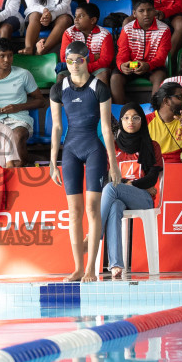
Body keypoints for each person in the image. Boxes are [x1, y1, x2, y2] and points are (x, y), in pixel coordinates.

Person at [49, 42, 118, 282]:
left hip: (94, 149)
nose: (74, 65)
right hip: (70, 150)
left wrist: (114, 162)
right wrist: (52, 161)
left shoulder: (100, 88)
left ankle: (91, 268)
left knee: (91, 209)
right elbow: (57, 127)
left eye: (79, 60)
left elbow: (107, 129)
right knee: (74, 212)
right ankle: (78, 268)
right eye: (70, 61)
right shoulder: (59, 89)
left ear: (87, 59)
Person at [100, 103, 161, 279]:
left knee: (113, 187)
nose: (130, 121)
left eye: (135, 117)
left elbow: (152, 178)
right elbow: (105, 178)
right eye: (126, 118)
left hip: (143, 199)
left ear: (142, 120)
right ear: (120, 122)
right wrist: (130, 183)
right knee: (115, 206)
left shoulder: (152, 146)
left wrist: (128, 185)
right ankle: (116, 265)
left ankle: (96, 235)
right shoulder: (114, 147)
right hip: (123, 195)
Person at [0, 41, 43, 163]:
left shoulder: (23, 74)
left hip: (19, 119)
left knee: (17, 136)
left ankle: (19, 174)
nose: (7, 59)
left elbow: (41, 101)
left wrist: (18, 107)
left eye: (10, 55)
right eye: (2, 56)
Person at [59, 1, 114, 82]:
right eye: (75, 16)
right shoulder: (69, 33)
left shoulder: (104, 34)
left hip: (96, 69)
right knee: (61, 75)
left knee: (103, 73)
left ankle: (103, 95)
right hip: (74, 69)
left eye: (81, 16)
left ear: (93, 20)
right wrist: (93, 57)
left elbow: (105, 61)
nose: (76, 19)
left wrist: (85, 68)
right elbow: (65, 58)